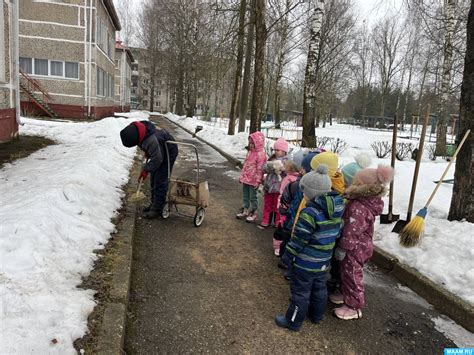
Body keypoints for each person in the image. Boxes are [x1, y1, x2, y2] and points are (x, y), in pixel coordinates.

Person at [275, 165, 345, 331]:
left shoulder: (310, 213)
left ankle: (293, 321)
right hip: (323, 261)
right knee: (319, 288)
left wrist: (287, 256)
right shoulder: (337, 208)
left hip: (306, 263)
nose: (303, 196)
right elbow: (336, 234)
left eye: (304, 192)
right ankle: (316, 315)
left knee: (300, 292)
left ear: (311, 192)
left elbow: (299, 239)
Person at [332, 165, 393, 320]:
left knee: (352, 274)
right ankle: (345, 294)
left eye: (356, 183)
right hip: (357, 245)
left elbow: (352, 230)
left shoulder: (359, 207)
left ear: (362, 186)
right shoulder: (363, 201)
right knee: (345, 273)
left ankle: (354, 306)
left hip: (354, 248)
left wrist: (343, 248)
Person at [120, 120, 178, 219]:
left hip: (169, 151)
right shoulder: (138, 129)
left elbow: (158, 159)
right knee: (153, 178)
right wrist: (148, 152)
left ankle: (157, 208)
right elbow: (148, 147)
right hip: (159, 150)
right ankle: (154, 203)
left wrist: (146, 170)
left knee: (160, 179)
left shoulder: (151, 140)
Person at [258, 138, 289, 229]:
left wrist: (282, 169)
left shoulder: (287, 161)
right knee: (267, 204)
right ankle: (266, 220)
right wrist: (269, 167)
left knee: (277, 206)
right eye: (275, 150)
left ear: (284, 151)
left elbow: (289, 173)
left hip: (279, 188)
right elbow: (263, 168)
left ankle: (277, 222)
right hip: (269, 186)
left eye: (278, 150)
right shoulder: (272, 158)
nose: (276, 151)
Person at [236, 132, 267, 222]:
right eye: (250, 143)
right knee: (246, 195)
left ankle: (254, 212)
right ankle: (245, 209)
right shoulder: (250, 152)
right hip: (246, 179)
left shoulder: (261, 155)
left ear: (258, 143)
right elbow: (245, 165)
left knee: (253, 197)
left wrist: (258, 181)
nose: (251, 145)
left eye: (253, 143)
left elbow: (260, 169)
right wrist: (241, 176)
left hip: (253, 180)